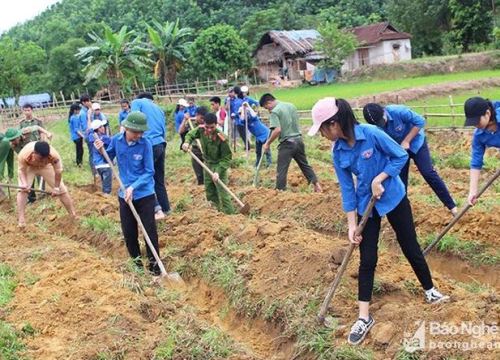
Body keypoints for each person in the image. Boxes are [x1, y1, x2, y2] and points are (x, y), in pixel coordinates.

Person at [308, 97, 449, 345]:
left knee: (409, 245)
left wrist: (380, 178)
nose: (322, 135)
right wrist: (352, 224)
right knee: (368, 258)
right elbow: (346, 190)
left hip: (392, 195)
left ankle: (430, 291)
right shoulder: (338, 152)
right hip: (366, 205)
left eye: (321, 128)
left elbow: (400, 157)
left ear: (334, 123)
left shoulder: (371, 133)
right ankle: (364, 317)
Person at [94, 112, 161, 276]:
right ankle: (137, 267)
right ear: (127, 129)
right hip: (124, 195)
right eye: (136, 132)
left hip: (144, 194)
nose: (139, 135)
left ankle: (155, 268)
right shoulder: (117, 140)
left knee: (149, 232)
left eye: (141, 132)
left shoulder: (145, 144)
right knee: (129, 233)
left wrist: (133, 187)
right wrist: (100, 150)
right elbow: (108, 158)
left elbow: (149, 171)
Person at [363, 103, 458, 216]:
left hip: (416, 144)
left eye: (382, 121)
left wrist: (407, 140)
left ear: (384, 111)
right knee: (401, 184)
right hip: (398, 152)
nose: (382, 125)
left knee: (428, 173)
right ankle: (405, 217)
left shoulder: (399, 111)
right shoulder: (376, 127)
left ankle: (452, 207)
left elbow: (420, 121)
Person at [259, 93, 321, 192]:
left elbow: (277, 130)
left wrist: (267, 143)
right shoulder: (291, 106)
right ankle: (317, 185)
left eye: (267, 108)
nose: (268, 110)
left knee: (281, 169)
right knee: (304, 165)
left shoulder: (275, 112)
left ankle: (280, 191)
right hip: (299, 140)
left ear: (269, 102)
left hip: (287, 143)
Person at [182, 113, 235, 214]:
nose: (209, 129)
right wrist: (187, 142)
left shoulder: (222, 138)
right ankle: (215, 213)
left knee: (223, 193)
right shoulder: (201, 130)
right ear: (204, 124)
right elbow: (190, 134)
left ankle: (231, 215)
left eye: (212, 127)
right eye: (207, 127)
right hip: (207, 165)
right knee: (209, 191)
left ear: (216, 125)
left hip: (219, 166)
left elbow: (227, 158)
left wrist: (218, 172)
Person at [16, 141, 77, 227]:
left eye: (46, 158)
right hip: (29, 167)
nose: (44, 160)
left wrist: (56, 188)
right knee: (22, 191)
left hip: (46, 167)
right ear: (34, 153)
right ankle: (21, 220)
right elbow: (21, 171)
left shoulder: (54, 156)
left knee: (62, 190)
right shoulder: (24, 154)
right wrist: (24, 184)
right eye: (41, 158)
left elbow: (58, 172)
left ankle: (73, 215)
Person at [131, 92, 171, 218]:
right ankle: (166, 208)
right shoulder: (159, 109)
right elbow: (164, 130)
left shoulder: (137, 103)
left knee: (144, 176)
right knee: (159, 179)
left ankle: (156, 209)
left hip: (148, 144)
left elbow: (134, 121)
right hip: (160, 143)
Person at [463, 97, 500, 206]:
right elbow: (476, 162)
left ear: (487, 113)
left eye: (477, 121)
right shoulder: (479, 135)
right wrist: (472, 191)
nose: (476, 125)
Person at [4, 126, 53, 204]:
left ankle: (42, 193)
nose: (12, 142)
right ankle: (31, 198)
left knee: (40, 175)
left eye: (13, 139)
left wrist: (47, 133)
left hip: (37, 156)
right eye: (10, 140)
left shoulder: (26, 132)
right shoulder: (11, 145)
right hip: (26, 160)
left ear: (18, 136)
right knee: (27, 179)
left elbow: (37, 127)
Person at [179, 106, 207, 185]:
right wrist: (185, 119)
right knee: (199, 173)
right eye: (200, 118)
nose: (202, 120)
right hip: (196, 150)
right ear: (197, 115)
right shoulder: (191, 122)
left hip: (206, 149)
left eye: (203, 118)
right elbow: (181, 131)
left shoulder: (207, 123)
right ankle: (200, 183)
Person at [239, 102, 272, 167]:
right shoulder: (245, 122)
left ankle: (269, 163)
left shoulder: (253, 118)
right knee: (258, 151)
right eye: (240, 113)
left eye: (242, 113)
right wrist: (243, 109)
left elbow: (253, 114)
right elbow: (242, 118)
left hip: (264, 134)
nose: (241, 114)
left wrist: (248, 106)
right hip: (258, 136)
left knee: (266, 149)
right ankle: (258, 164)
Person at [88, 120, 112, 195]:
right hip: (105, 164)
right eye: (102, 126)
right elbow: (113, 141)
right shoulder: (104, 138)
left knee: (104, 182)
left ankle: (104, 195)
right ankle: (106, 198)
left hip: (97, 165)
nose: (104, 128)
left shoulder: (91, 137)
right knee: (107, 186)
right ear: (98, 128)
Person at [79, 94, 95, 177]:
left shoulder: (89, 110)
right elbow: (86, 128)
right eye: (88, 101)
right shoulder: (83, 113)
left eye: (90, 100)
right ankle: (94, 172)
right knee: (92, 153)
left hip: (94, 134)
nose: (90, 102)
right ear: (83, 102)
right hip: (89, 135)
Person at [68, 103, 84, 167]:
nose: (79, 111)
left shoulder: (72, 117)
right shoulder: (74, 118)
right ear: (75, 110)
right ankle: (79, 163)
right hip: (77, 136)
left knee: (79, 149)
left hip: (75, 137)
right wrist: (82, 136)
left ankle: (79, 162)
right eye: (78, 110)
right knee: (80, 150)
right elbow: (76, 129)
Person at [0, 132, 14, 200]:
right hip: (7, 140)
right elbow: (10, 161)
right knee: (9, 160)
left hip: (3, 142)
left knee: (1, 162)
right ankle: (10, 176)